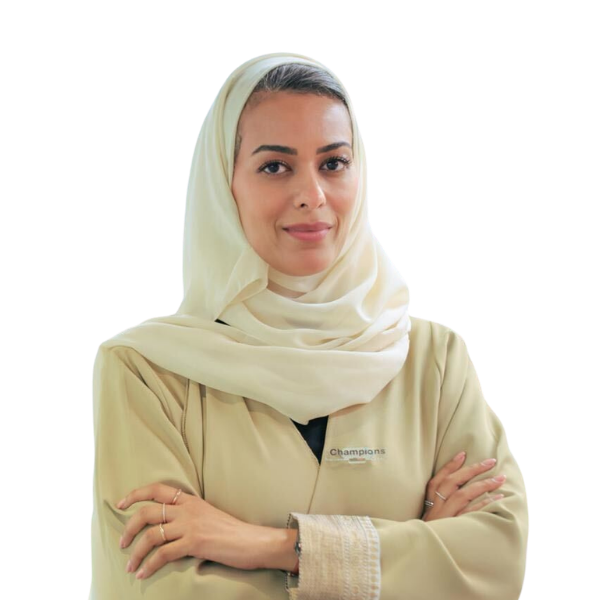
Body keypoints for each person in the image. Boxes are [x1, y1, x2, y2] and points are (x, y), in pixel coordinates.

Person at [89, 52, 529, 599]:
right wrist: (420, 551)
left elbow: (496, 559)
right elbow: (165, 592)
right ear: (223, 185)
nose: (312, 195)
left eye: (333, 163)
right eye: (275, 166)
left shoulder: (431, 359)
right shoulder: (147, 370)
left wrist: (269, 546)